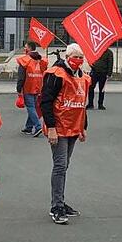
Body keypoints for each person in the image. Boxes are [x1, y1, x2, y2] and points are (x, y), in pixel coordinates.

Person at [41, 43, 91, 225]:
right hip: (59, 128)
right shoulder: (56, 74)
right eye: (75, 56)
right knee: (60, 165)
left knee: (65, 165)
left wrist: (83, 126)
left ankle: (60, 200)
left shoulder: (83, 78)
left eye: (81, 56)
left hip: (73, 128)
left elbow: (82, 102)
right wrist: (51, 127)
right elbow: (45, 101)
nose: (78, 59)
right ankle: (56, 206)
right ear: (67, 56)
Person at [17, 41, 48, 137]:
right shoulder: (41, 60)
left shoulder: (24, 60)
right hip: (38, 86)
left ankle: (38, 126)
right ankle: (28, 127)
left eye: (25, 47)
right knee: (33, 107)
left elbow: (21, 77)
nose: (24, 49)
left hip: (28, 87)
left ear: (29, 48)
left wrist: (19, 88)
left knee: (30, 108)